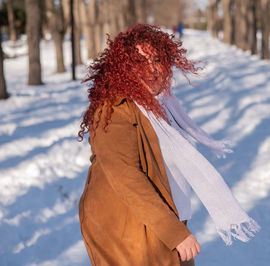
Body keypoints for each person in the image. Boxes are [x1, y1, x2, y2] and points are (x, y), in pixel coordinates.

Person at [78, 24, 259, 266]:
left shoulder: (161, 105)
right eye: (140, 62)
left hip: (160, 219)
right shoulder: (114, 109)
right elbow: (126, 177)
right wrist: (176, 234)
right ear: (123, 68)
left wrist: (176, 229)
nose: (152, 70)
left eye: (157, 60)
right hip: (126, 227)